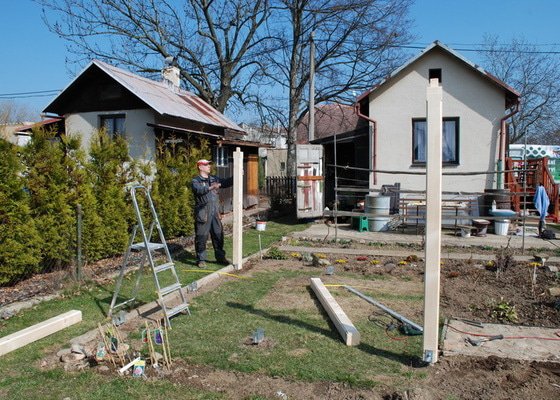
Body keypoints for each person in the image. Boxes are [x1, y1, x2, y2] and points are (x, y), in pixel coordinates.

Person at [191, 159, 233, 267]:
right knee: (201, 237)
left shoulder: (214, 178)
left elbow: (226, 182)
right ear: (200, 167)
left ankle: (220, 257)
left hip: (215, 212)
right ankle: (201, 260)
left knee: (218, 235)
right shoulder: (196, 181)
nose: (209, 166)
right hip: (203, 213)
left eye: (209, 164)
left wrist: (237, 175)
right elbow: (199, 190)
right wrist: (211, 187)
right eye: (206, 165)